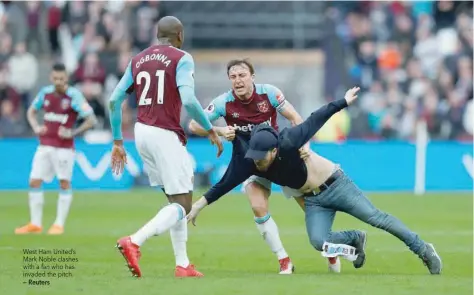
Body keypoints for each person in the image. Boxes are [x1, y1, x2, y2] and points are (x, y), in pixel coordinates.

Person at [187, 87, 443, 275]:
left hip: (336, 185)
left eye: (261, 157)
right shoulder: (250, 161)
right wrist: (198, 206)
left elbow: (316, 118)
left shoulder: (289, 141)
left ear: (274, 150)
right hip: (314, 200)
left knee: (378, 218)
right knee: (319, 242)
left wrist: (342, 101)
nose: (257, 162)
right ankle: (355, 238)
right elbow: (224, 185)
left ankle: (423, 249)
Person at [108, 16, 223, 278]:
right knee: (183, 204)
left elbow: (114, 100)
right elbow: (190, 100)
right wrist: (209, 128)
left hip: (141, 132)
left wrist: (117, 140)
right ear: (179, 35)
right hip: (164, 133)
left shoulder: (137, 60)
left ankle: (182, 264)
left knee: (175, 199)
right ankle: (134, 241)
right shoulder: (182, 58)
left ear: (157, 34)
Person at [188, 58, 316, 274]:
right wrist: (219, 130)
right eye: (233, 77)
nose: (238, 80)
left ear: (252, 77)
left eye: (242, 75)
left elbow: (295, 118)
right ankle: (284, 260)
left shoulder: (269, 94)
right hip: (250, 163)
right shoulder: (223, 102)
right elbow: (193, 124)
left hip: (278, 161)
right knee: (258, 207)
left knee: (310, 206)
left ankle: (328, 248)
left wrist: (306, 144)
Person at [15, 63, 97, 235]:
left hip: (64, 148)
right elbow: (30, 111)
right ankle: (35, 224)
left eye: (62, 78)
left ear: (66, 78)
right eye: (55, 78)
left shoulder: (74, 96)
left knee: (64, 183)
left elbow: (91, 119)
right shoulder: (45, 93)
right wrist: (36, 126)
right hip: (44, 145)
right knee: (34, 181)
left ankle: (58, 224)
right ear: (51, 78)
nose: (58, 81)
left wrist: (73, 132)